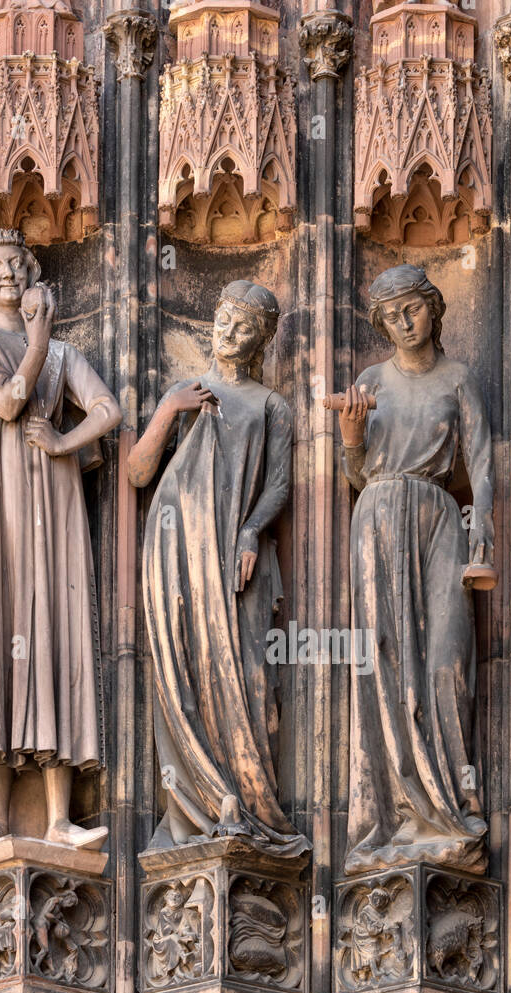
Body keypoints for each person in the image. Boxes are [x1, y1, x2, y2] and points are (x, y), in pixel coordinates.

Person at [0, 228, 121, 849]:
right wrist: (41, 335)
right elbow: (11, 401)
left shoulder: (66, 355)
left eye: (17, 262)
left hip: (52, 501)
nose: (10, 272)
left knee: (55, 632)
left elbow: (108, 409)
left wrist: (66, 444)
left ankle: (61, 819)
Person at [128, 280, 308, 855]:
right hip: (177, 546)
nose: (229, 333)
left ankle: (248, 800)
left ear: (261, 340)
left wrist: (251, 529)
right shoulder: (187, 391)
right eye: (224, 319)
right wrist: (168, 409)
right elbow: (136, 473)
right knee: (182, 667)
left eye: (245, 327)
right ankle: (198, 802)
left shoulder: (271, 405)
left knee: (249, 671)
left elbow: (279, 482)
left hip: (236, 553)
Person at [334, 264, 494, 873]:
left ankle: (450, 803)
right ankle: (394, 812)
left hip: (438, 514)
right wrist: (351, 439)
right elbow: (355, 476)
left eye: (413, 308)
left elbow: (481, 459)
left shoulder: (459, 378)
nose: (403, 321)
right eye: (390, 314)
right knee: (383, 663)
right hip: (376, 515)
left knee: (449, 661)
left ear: (434, 308)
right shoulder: (371, 379)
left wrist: (483, 518)